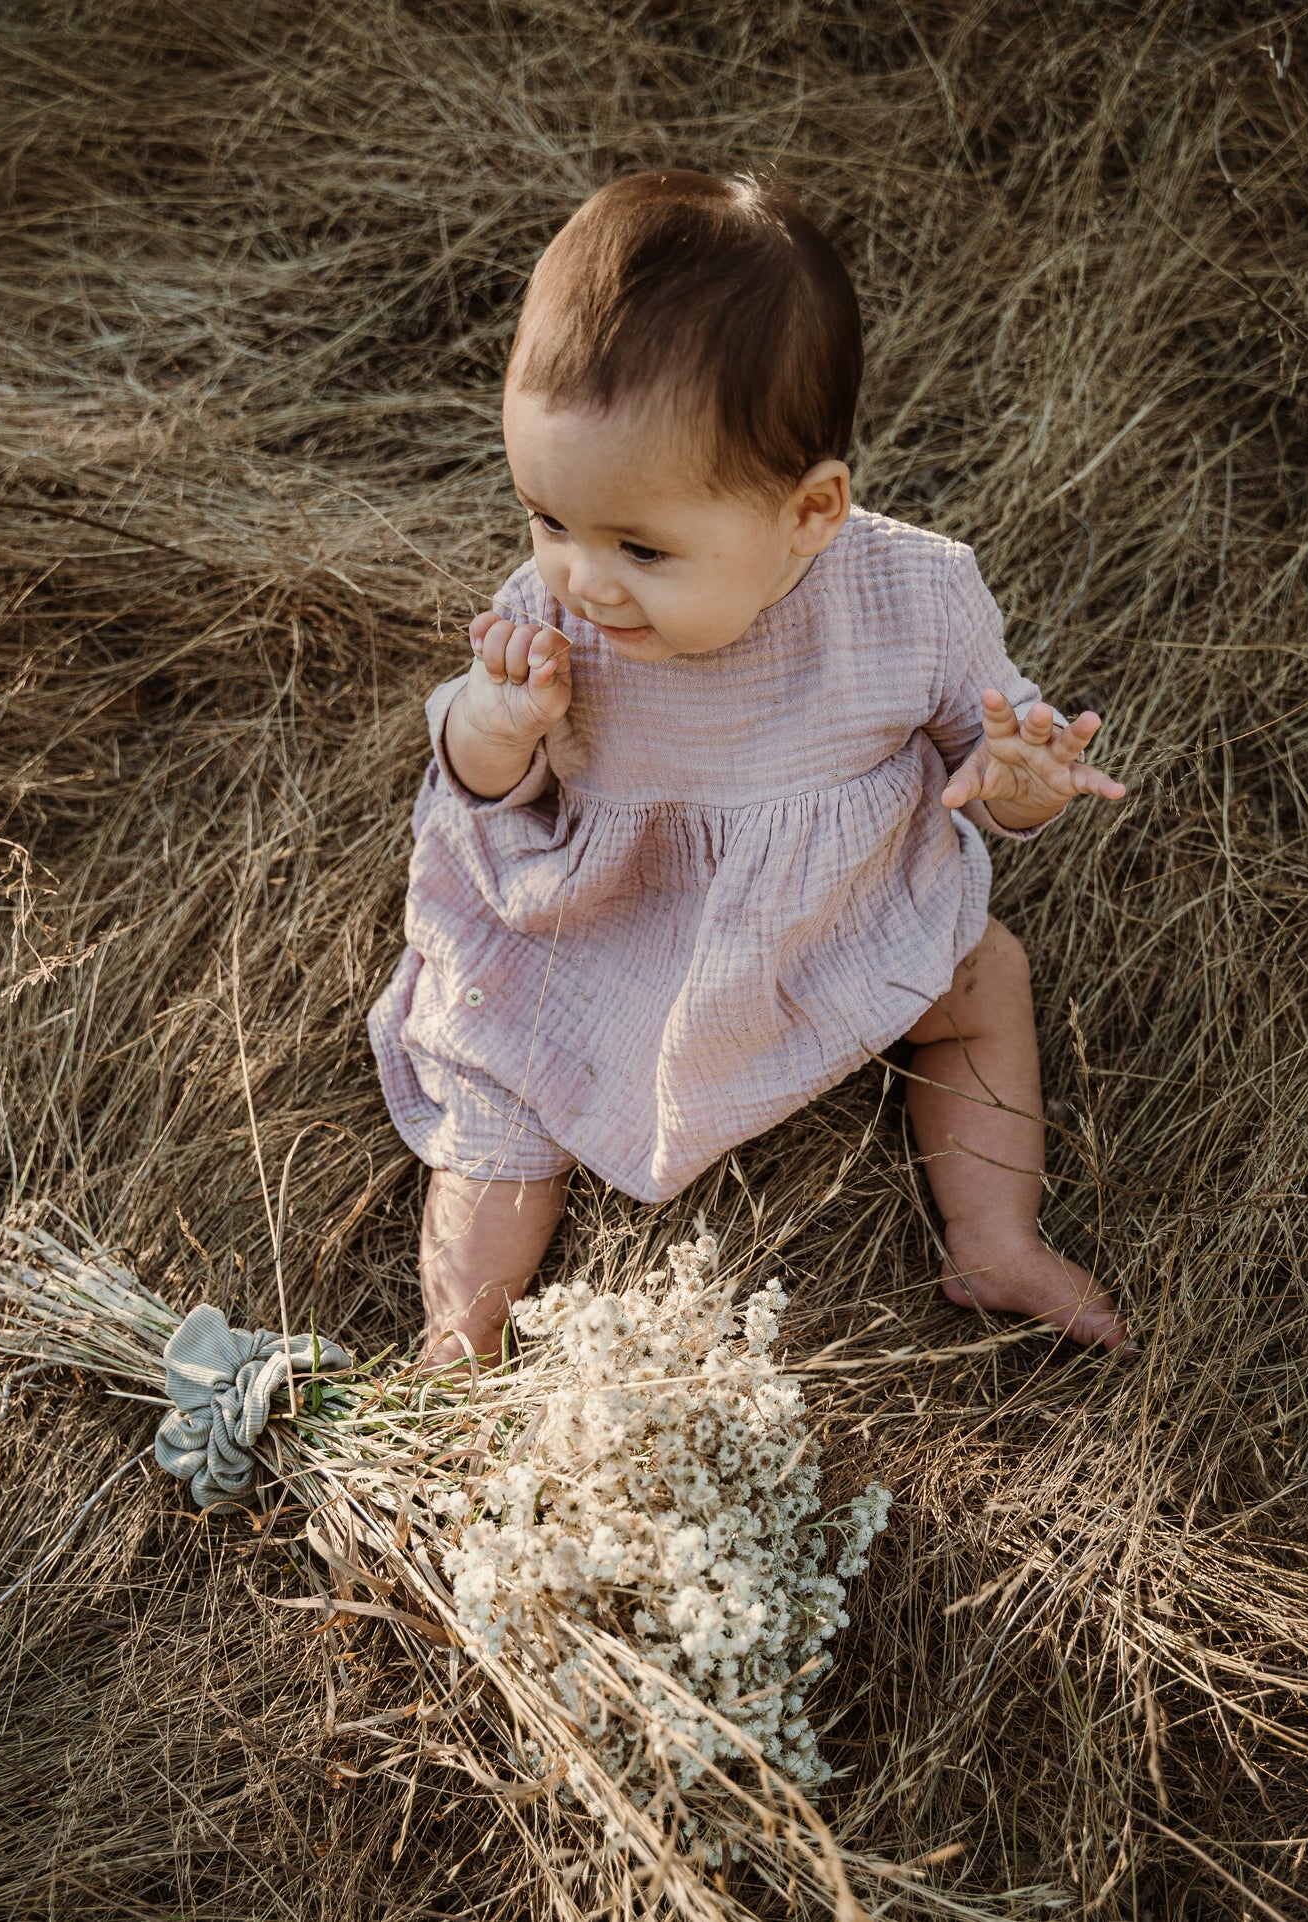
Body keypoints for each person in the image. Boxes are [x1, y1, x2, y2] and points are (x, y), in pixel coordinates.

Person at [369, 170, 1132, 1365]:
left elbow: (984, 741)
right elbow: (474, 786)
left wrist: (1020, 784)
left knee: (983, 979)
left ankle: (994, 1235)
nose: (582, 579)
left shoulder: (911, 598)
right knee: (501, 1080)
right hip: (604, 921)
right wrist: (495, 721)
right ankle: (457, 1332)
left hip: (828, 918)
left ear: (810, 512)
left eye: (640, 546)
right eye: (547, 517)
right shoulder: (549, 614)